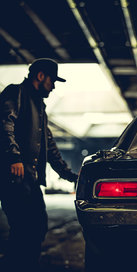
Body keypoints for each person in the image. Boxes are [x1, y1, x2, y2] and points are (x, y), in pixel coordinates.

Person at [0, 58, 78, 270]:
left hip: (30, 180)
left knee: (36, 227)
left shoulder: (39, 107)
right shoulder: (15, 93)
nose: (53, 86)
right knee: (23, 228)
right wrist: (14, 157)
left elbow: (49, 147)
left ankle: (23, 265)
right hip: (13, 177)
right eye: (52, 80)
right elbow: (5, 123)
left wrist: (70, 175)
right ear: (40, 76)